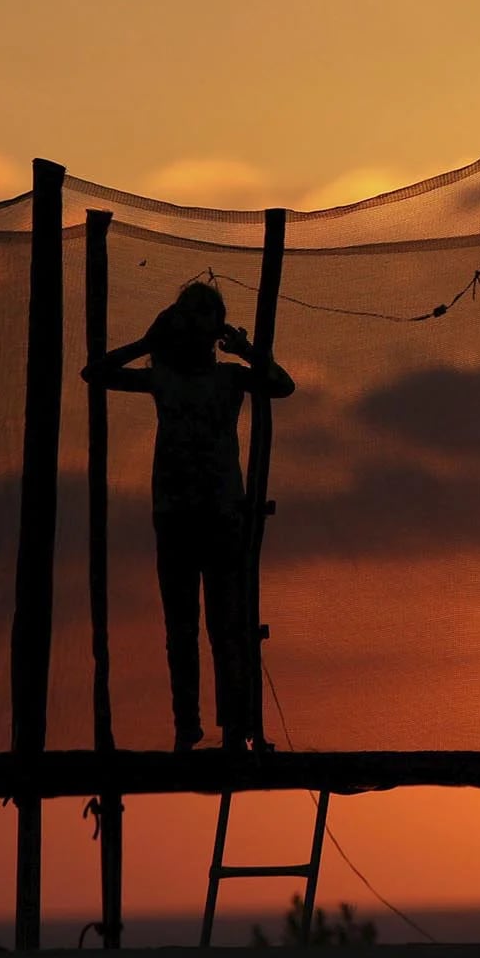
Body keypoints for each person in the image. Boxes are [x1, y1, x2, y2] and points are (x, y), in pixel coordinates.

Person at [82, 280, 295, 752]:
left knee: (224, 626)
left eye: (205, 322)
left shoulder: (228, 379)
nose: (198, 332)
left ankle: (233, 727)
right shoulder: (165, 378)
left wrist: (245, 348)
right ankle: (187, 726)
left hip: (220, 515)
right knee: (181, 627)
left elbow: (283, 385)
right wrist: (145, 343)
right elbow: (93, 373)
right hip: (177, 516)